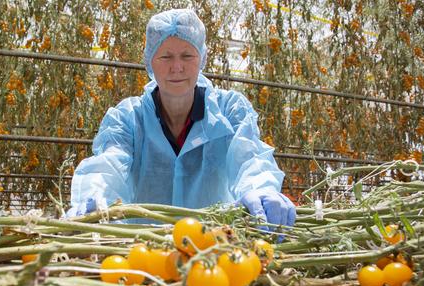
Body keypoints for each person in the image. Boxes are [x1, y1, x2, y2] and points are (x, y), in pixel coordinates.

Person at [67, 8, 295, 231]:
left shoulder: (228, 111)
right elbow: (110, 164)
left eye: (187, 55)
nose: (177, 67)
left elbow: (250, 158)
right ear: (149, 61)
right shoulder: (128, 119)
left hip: (215, 246)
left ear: (202, 59)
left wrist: (260, 189)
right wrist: (95, 196)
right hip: (144, 251)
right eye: (166, 56)